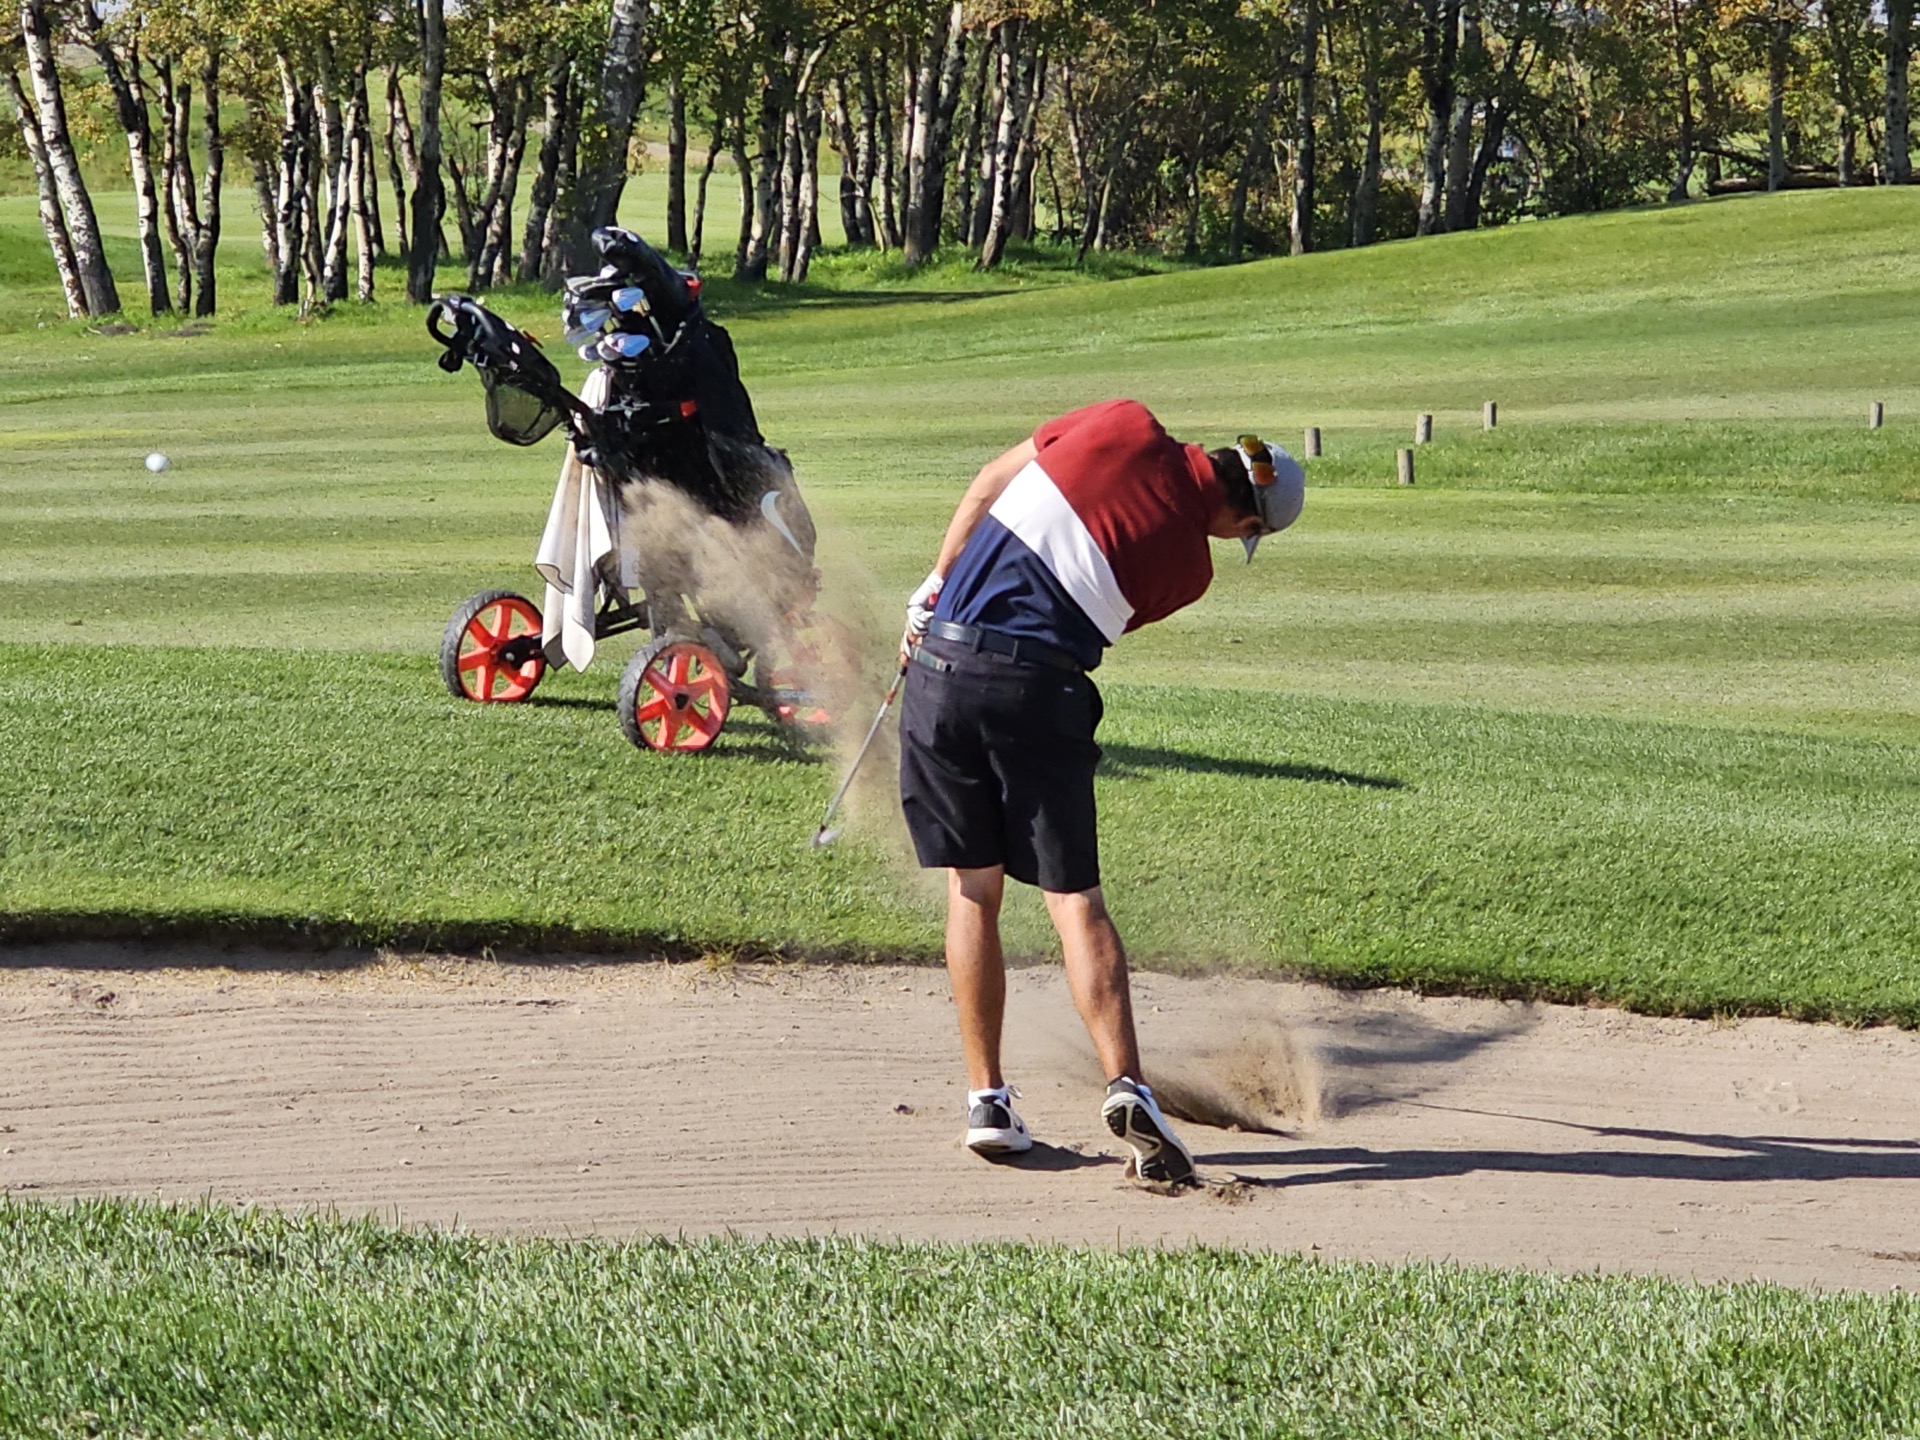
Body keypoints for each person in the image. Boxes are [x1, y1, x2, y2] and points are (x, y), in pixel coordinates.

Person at [898, 398, 1305, 1184]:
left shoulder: (1123, 419)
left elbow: (989, 482)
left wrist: (933, 587)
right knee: (1074, 902)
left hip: (939, 668)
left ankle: (987, 1102)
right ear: (1245, 521)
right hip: (1037, 692)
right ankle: (1127, 1085)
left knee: (972, 891)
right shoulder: (1190, 573)